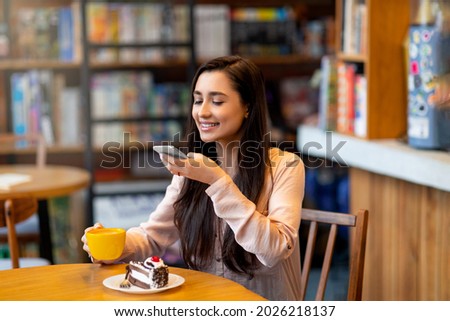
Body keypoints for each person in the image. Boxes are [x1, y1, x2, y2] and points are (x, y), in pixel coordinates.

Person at [81, 55, 305, 301]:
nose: (203, 112)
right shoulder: (190, 169)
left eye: (217, 101)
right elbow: (152, 237)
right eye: (198, 101)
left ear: (247, 106)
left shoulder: (286, 166)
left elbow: (275, 249)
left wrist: (218, 182)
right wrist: (113, 247)